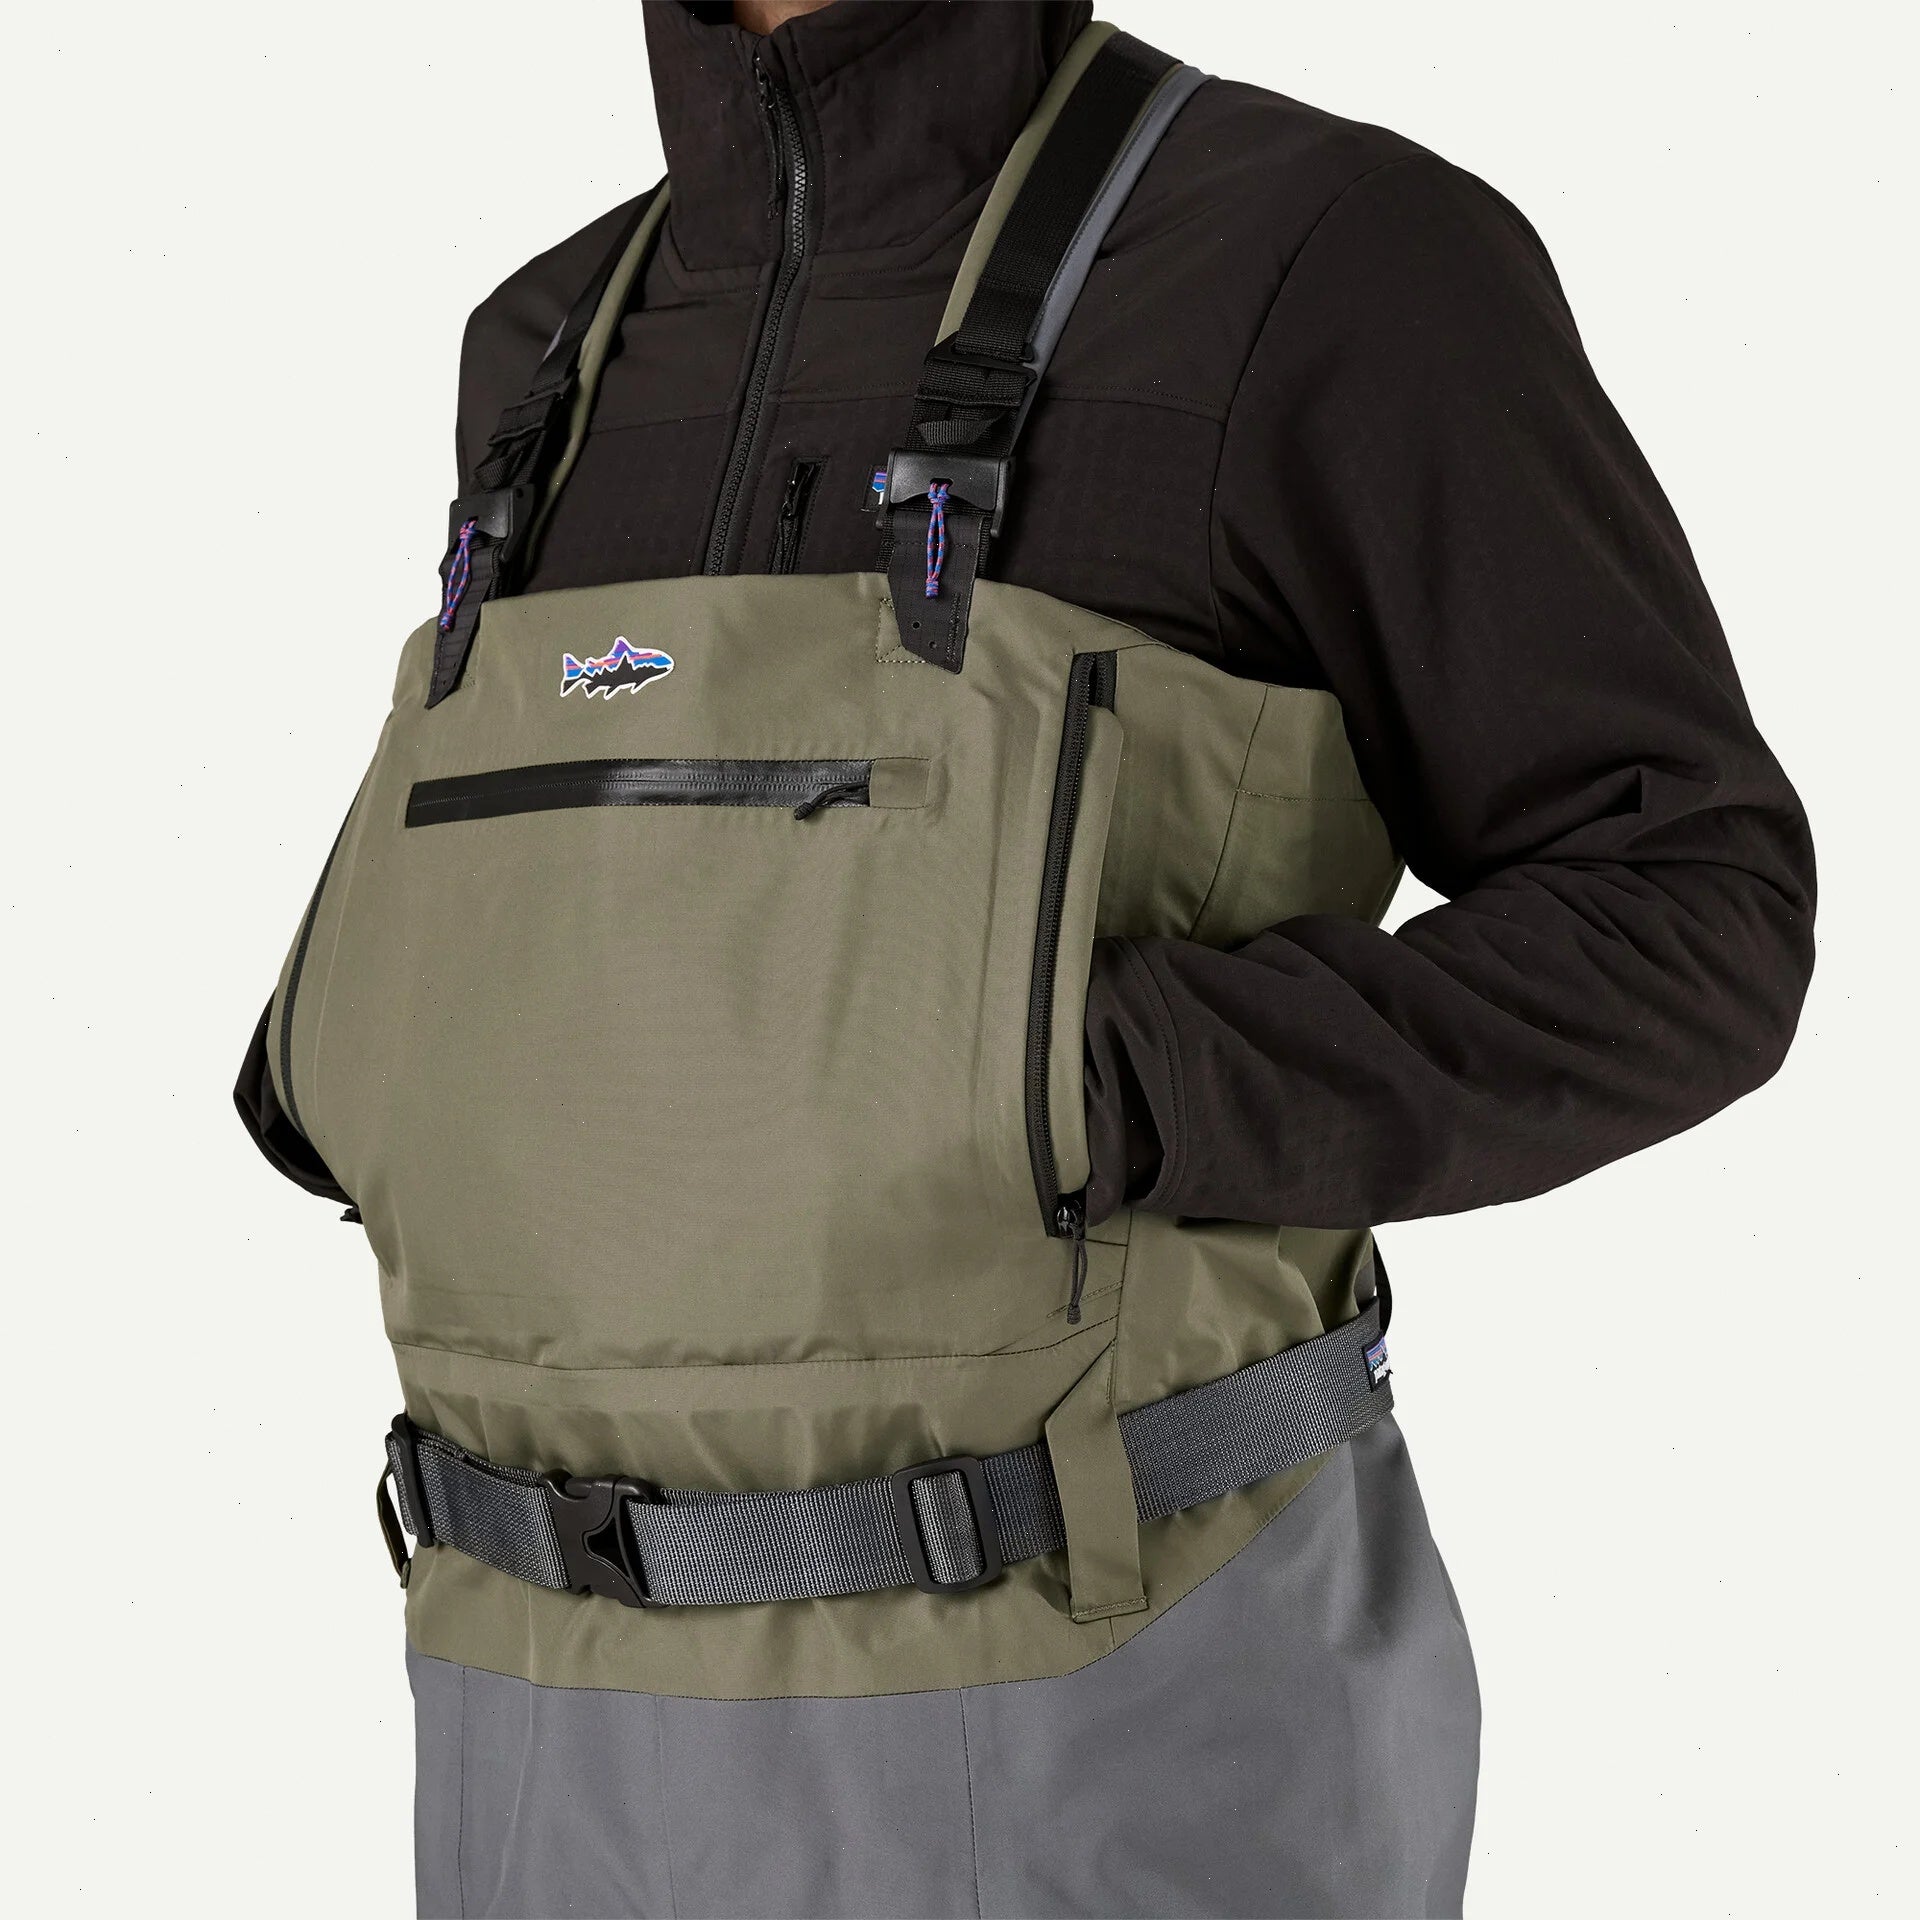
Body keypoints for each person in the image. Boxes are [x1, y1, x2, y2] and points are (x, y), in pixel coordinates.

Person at [236, 4, 1815, 1914]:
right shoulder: (545, 351)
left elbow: (1693, 901)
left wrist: (1107, 1080)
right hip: (525, 1722)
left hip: (1102, 1712)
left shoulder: (1325, 257)